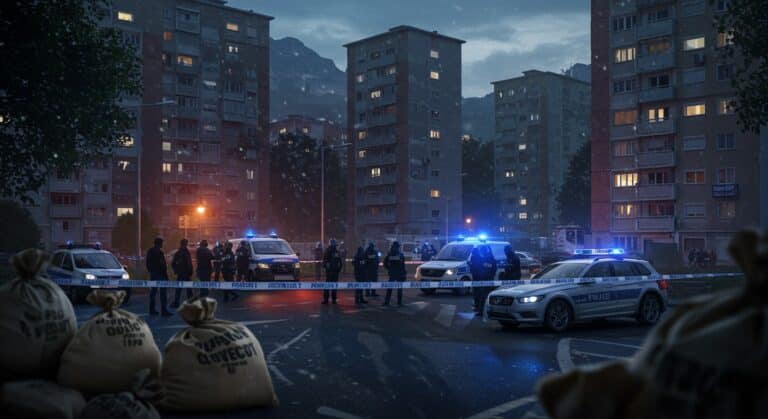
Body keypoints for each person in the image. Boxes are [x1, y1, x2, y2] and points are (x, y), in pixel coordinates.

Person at [146, 237, 171, 316]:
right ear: (159, 244)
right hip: (160, 274)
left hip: (153, 274)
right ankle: (164, 310)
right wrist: (166, 275)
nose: (163, 244)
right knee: (163, 293)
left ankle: (152, 309)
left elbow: (147, 262)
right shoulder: (160, 252)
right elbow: (163, 264)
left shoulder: (150, 251)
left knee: (153, 292)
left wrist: (150, 271)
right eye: (162, 243)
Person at [170, 238, 194, 308]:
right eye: (185, 243)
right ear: (183, 244)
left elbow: (189, 263)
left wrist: (190, 270)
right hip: (183, 273)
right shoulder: (180, 252)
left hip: (185, 273)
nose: (186, 245)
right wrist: (177, 271)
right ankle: (179, 302)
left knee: (184, 289)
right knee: (182, 289)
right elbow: (173, 263)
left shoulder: (185, 252)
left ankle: (184, 302)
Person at [383, 241, 407, 306]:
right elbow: (403, 265)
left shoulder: (390, 254)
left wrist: (389, 268)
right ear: (397, 247)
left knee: (390, 288)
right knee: (399, 289)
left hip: (392, 273)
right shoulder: (400, 254)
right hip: (399, 274)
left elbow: (385, 263)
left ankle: (386, 302)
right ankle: (399, 302)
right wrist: (404, 273)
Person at [322, 238, 343, 304]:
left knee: (328, 286)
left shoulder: (328, 251)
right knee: (334, 285)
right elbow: (340, 262)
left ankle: (326, 300)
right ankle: (333, 299)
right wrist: (338, 269)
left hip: (330, 272)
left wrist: (326, 268)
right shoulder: (336, 251)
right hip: (335, 272)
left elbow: (325, 261)